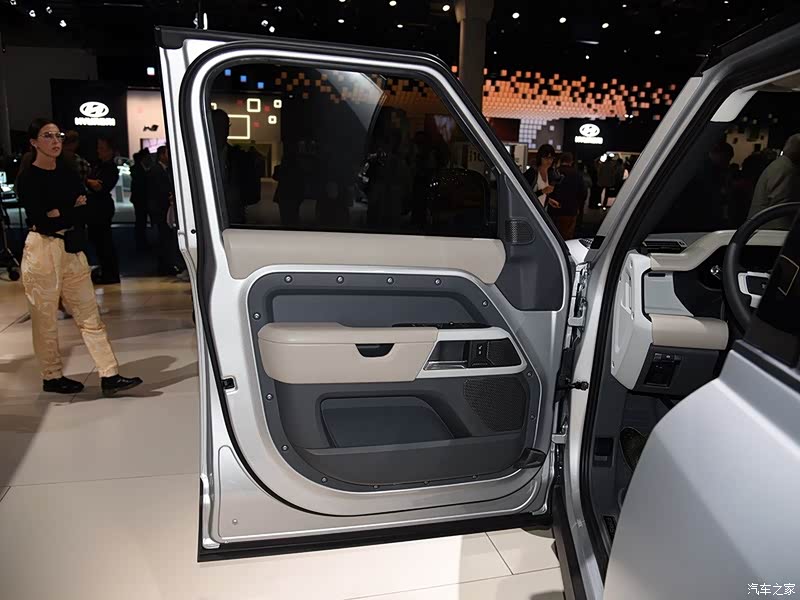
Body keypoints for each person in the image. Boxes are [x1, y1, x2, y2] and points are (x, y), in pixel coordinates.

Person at [15, 118, 142, 396]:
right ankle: (51, 376)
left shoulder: (68, 172)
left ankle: (109, 373)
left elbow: (86, 211)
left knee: (89, 314)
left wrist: (61, 212)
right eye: (48, 136)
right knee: (45, 318)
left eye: (58, 135)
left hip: (72, 247)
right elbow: (42, 220)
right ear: (34, 142)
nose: (55, 141)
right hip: (41, 250)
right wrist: (70, 209)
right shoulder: (28, 178)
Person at [210, 109, 260, 225]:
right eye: (218, 125)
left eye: (224, 126)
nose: (222, 130)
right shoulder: (198, 156)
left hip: (233, 215)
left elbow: (250, 192)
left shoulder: (239, 158)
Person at [86, 137, 121, 284]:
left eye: (102, 148)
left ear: (110, 151)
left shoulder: (110, 168)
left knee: (104, 243)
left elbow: (100, 187)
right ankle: (107, 272)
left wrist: (87, 181)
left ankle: (110, 274)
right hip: (96, 208)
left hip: (101, 208)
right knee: (100, 243)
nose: (98, 151)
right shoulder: (99, 165)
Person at [747, 134, 800, 228]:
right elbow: (780, 209)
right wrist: (786, 233)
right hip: (769, 230)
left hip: (761, 228)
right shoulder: (786, 170)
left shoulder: (780, 166)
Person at [147, 145, 181, 275]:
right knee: (164, 239)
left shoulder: (165, 170)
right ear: (161, 155)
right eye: (167, 153)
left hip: (164, 209)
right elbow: (156, 191)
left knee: (166, 239)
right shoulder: (156, 170)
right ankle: (164, 266)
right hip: (160, 209)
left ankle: (167, 264)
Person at [549, 152, 587, 240]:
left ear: (561, 160)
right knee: (567, 236)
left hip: (554, 208)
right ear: (571, 161)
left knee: (552, 235)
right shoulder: (577, 174)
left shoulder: (554, 172)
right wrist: (578, 206)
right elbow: (582, 192)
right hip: (570, 209)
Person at [130, 148, 152, 249]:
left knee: (141, 222)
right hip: (140, 200)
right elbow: (140, 186)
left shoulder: (139, 169)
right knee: (140, 222)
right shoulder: (138, 170)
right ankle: (141, 243)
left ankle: (141, 242)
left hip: (140, 200)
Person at [524, 144, 558, 209]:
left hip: (541, 210)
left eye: (551, 158)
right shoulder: (532, 173)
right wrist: (542, 191)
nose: (549, 161)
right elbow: (525, 194)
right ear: (540, 158)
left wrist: (548, 200)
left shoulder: (550, 173)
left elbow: (541, 195)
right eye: (546, 158)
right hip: (529, 209)